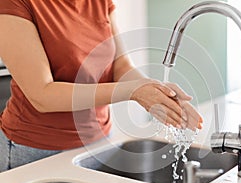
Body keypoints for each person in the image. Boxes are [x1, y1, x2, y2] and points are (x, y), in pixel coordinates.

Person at [0, 0, 203, 172]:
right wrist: (135, 92)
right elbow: (42, 95)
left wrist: (157, 92)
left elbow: (120, 66)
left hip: (99, 142)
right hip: (34, 149)